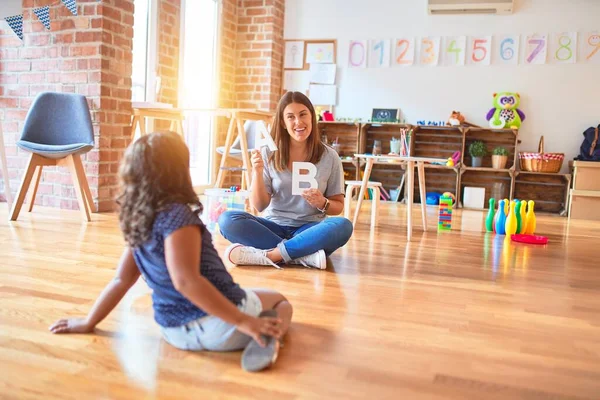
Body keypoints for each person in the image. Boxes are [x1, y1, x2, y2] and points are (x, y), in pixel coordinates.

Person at [48, 131, 292, 372]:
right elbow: (186, 281)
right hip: (220, 328)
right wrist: (244, 322)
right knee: (281, 301)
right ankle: (268, 337)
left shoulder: (139, 220)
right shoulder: (178, 216)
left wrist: (89, 321)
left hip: (173, 332)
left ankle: (253, 328)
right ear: (179, 172)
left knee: (251, 296)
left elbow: (121, 280)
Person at [218, 91, 353, 270]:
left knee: (342, 225)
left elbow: (338, 206)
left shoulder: (330, 157)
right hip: (273, 226)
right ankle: (302, 255)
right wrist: (257, 173)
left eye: (303, 114)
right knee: (227, 220)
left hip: (310, 229)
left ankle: (272, 255)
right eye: (291, 117)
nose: (298, 122)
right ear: (283, 122)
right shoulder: (268, 153)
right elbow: (259, 206)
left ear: (312, 117)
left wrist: (322, 202)